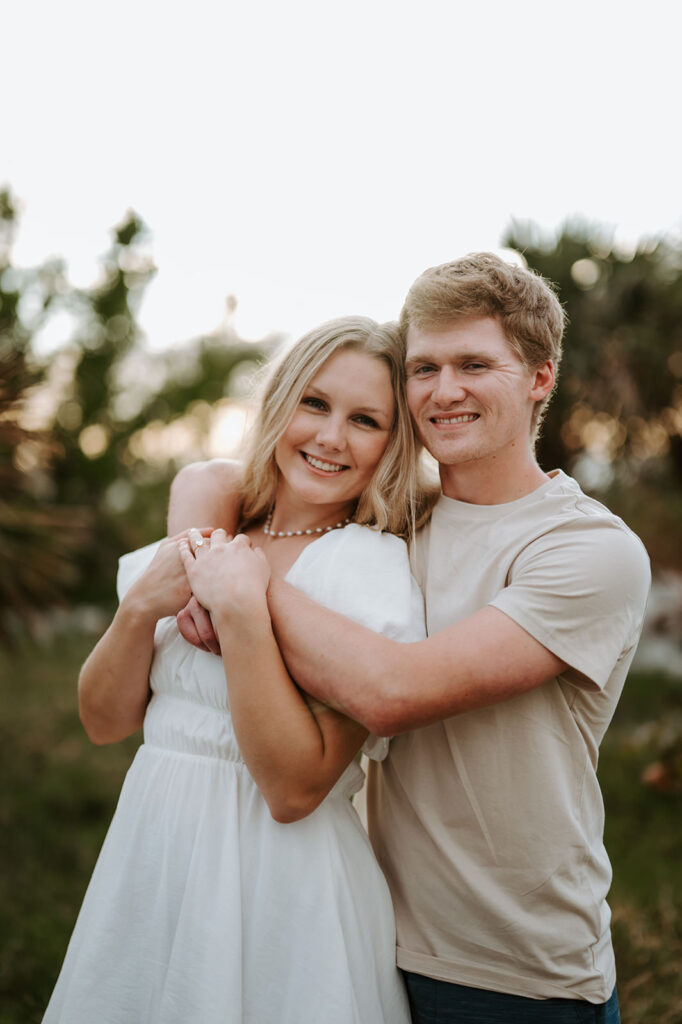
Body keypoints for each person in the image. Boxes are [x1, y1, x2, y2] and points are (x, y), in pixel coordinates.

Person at [169, 254, 651, 1024]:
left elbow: (391, 693)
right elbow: (214, 475)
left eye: (474, 364)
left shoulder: (587, 550)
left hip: (514, 969)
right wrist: (202, 539)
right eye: (423, 367)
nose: (443, 389)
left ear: (539, 379)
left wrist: (237, 584)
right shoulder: (396, 518)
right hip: (367, 936)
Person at [43, 316, 435, 1024]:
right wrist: (140, 610)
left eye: (365, 420)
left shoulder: (366, 570)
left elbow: (293, 789)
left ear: (391, 445)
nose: (329, 437)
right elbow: (103, 722)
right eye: (314, 404)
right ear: (279, 403)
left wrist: (243, 613)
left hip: (281, 886)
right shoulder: (207, 533)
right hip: (153, 859)